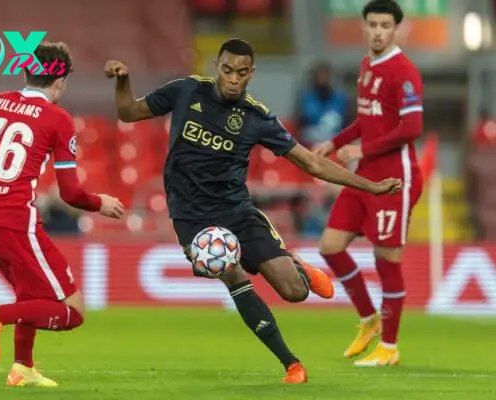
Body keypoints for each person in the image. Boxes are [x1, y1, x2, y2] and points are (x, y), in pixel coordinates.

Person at [104, 38, 402, 383]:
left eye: (241, 73)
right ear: (217, 66)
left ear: (251, 74)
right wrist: (123, 81)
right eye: (227, 70)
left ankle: (294, 265)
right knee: (231, 275)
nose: (233, 78)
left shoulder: (255, 118)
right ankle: (292, 365)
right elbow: (128, 112)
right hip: (191, 218)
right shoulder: (186, 91)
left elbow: (311, 163)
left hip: (237, 212)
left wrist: (371, 185)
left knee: (294, 293)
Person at [0, 42, 124, 387]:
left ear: (28, 72)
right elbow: (71, 193)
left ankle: (23, 368)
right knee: (73, 310)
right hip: (14, 221)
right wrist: (101, 203)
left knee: (31, 296)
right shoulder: (58, 119)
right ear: (60, 80)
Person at [313, 0, 424, 366]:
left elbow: (411, 128)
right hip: (365, 177)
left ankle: (389, 348)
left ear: (397, 30)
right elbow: (366, 119)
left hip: (395, 179)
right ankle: (368, 319)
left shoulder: (403, 71)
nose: (378, 31)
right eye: (372, 24)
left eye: (385, 25)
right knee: (330, 245)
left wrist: (362, 148)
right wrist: (336, 142)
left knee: (386, 261)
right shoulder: (366, 66)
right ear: (365, 27)